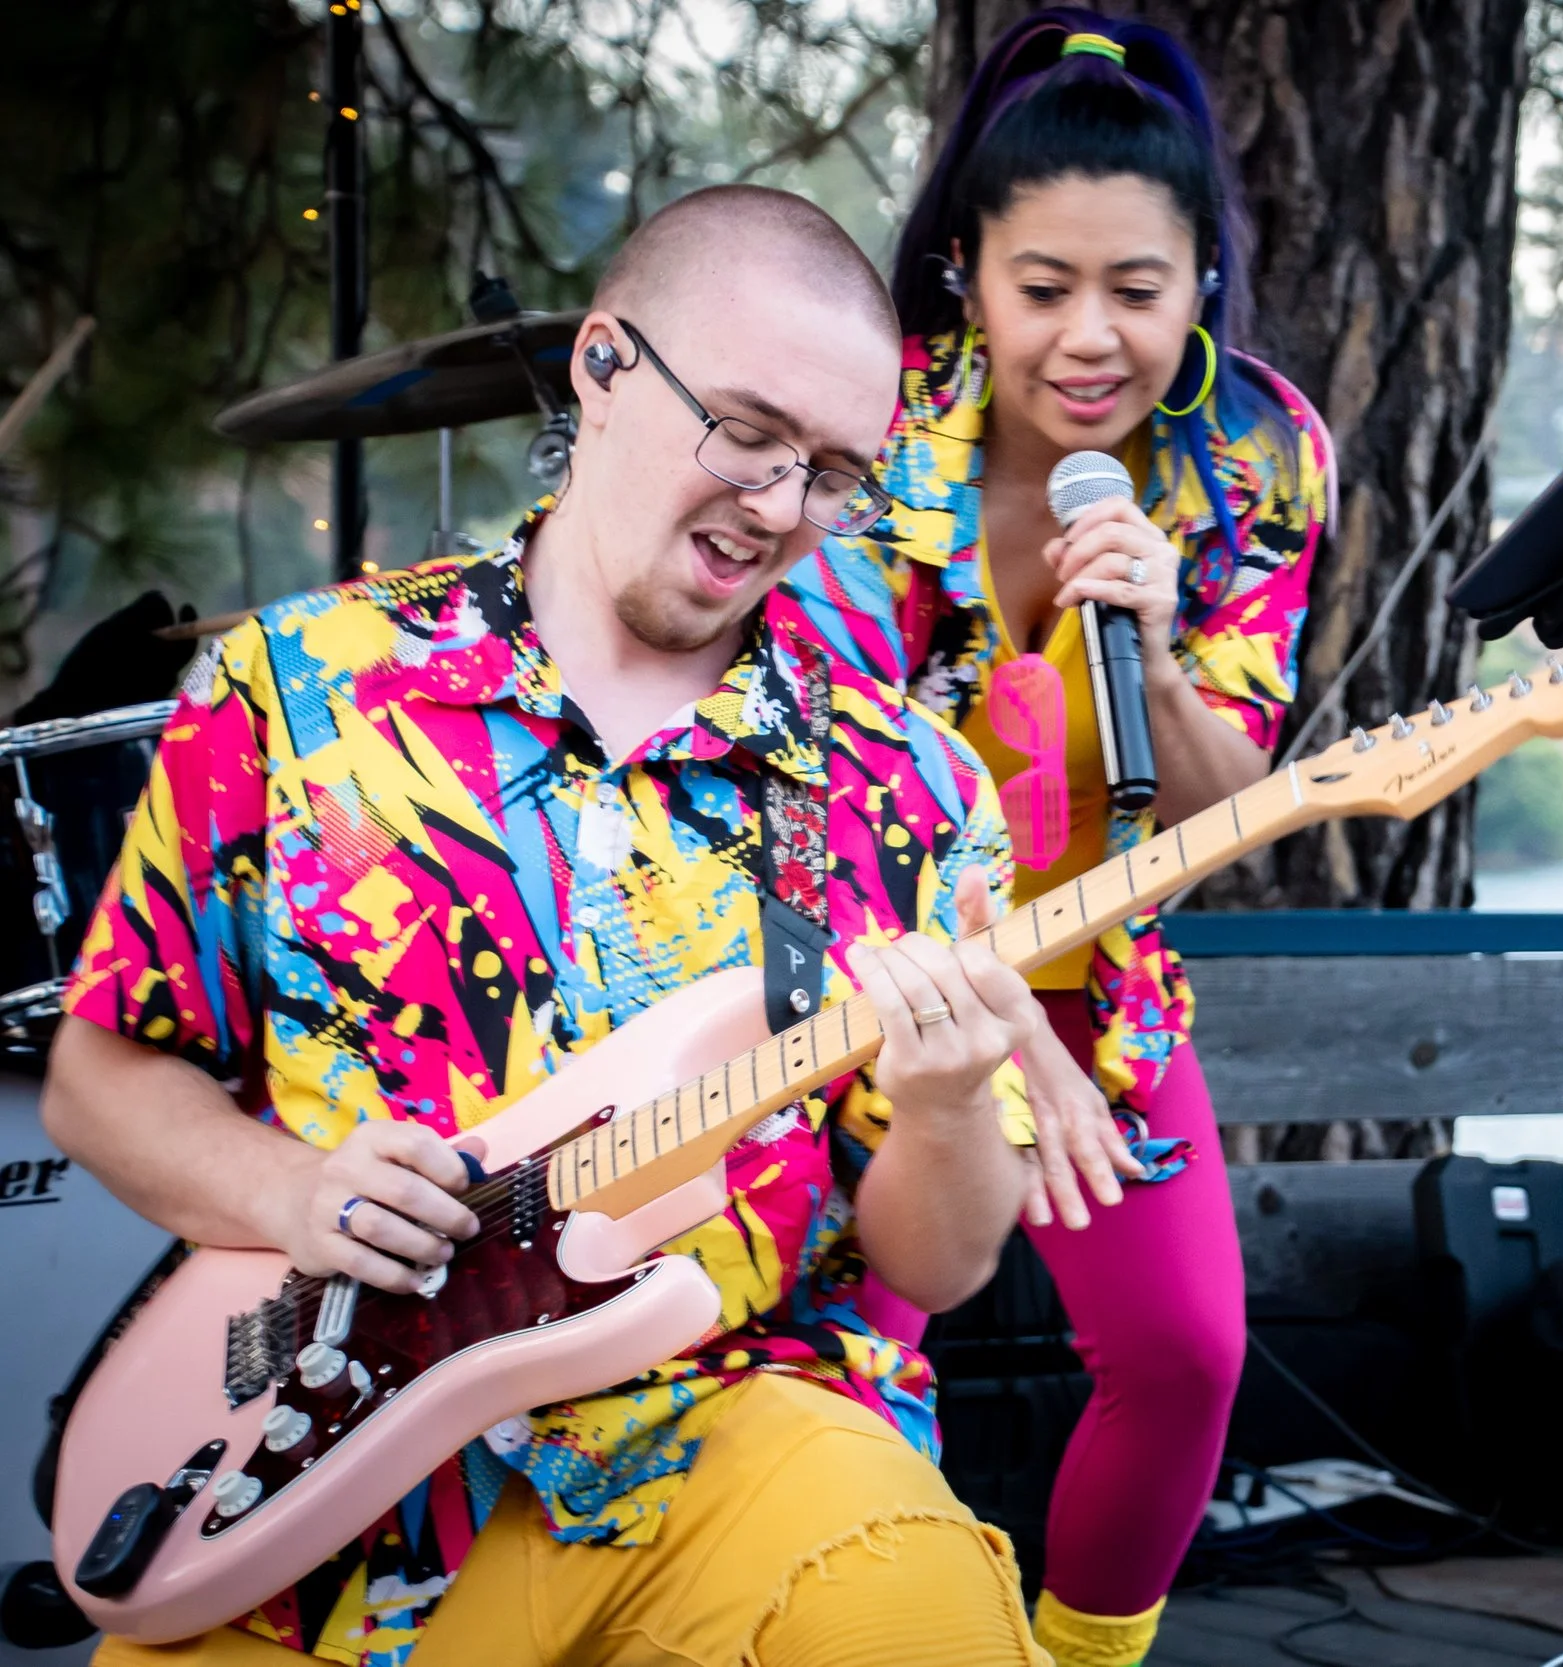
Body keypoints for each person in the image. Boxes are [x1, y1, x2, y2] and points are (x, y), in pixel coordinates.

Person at [45, 184, 1064, 1667]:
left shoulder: (908, 786)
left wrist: (951, 1092)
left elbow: (939, 1256)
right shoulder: (296, 686)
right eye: (748, 432)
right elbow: (99, 1077)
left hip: (720, 1443)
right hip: (316, 1493)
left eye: (835, 471)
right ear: (602, 364)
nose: (782, 506)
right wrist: (293, 1193)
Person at [788, 13, 1331, 1665]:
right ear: (966, 269)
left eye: (1139, 289)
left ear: (1200, 281)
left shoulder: (1254, 450)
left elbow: (1229, 807)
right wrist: (1004, 1041)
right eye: (1045, 289)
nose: (1092, 338)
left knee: (1184, 1354)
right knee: (848, 1360)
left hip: (1102, 960)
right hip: (851, 976)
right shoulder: (862, 429)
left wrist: (1157, 656)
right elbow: (824, 798)